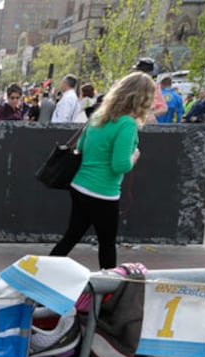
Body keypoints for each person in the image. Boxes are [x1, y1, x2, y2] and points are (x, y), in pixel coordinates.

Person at [49, 71, 155, 269]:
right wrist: (135, 156)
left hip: (80, 186)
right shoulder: (127, 124)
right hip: (103, 192)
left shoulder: (99, 117)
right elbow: (120, 165)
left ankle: (40, 274)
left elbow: (80, 147)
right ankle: (108, 293)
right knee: (107, 245)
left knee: (70, 238)